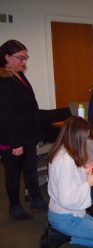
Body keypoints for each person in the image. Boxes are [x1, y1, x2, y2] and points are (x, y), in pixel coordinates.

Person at [47, 116, 93, 248]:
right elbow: (67, 199)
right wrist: (88, 183)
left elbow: (66, 181)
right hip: (65, 216)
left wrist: (83, 170)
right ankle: (63, 237)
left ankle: (66, 237)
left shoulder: (62, 151)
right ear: (77, 137)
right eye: (85, 137)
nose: (87, 140)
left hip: (61, 212)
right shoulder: (66, 160)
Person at [0, 40, 47, 220]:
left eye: (26, 57)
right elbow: (5, 115)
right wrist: (15, 143)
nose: (24, 62)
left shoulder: (18, 75)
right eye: (20, 58)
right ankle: (14, 207)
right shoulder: (3, 81)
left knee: (30, 169)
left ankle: (36, 199)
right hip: (12, 139)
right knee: (13, 174)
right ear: (7, 57)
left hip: (27, 135)